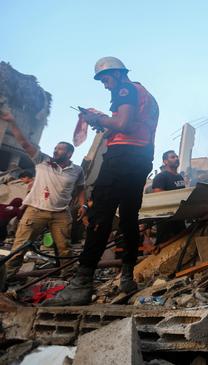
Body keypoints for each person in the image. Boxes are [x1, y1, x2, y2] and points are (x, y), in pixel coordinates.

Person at [44, 57, 159, 306]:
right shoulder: (146, 94)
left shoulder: (124, 88)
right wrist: (108, 126)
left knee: (100, 216)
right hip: (140, 159)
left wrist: (98, 119)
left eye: (106, 80)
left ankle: (81, 284)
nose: (106, 86)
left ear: (117, 75)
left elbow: (122, 123)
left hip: (121, 158)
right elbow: (131, 125)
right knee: (129, 217)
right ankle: (127, 277)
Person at [0, 111, 85, 278]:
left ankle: (67, 278)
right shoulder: (42, 161)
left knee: (64, 249)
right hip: (36, 210)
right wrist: (12, 122)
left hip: (61, 213)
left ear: (69, 154)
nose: (56, 151)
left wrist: (82, 204)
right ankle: (6, 278)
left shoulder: (77, 170)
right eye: (55, 148)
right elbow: (24, 142)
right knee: (19, 248)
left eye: (60, 149)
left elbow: (81, 187)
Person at [151, 150, 186, 243]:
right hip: (166, 220)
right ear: (165, 161)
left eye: (176, 157)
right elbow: (159, 197)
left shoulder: (180, 177)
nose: (176, 159)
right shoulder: (161, 177)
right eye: (172, 157)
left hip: (179, 217)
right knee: (165, 245)